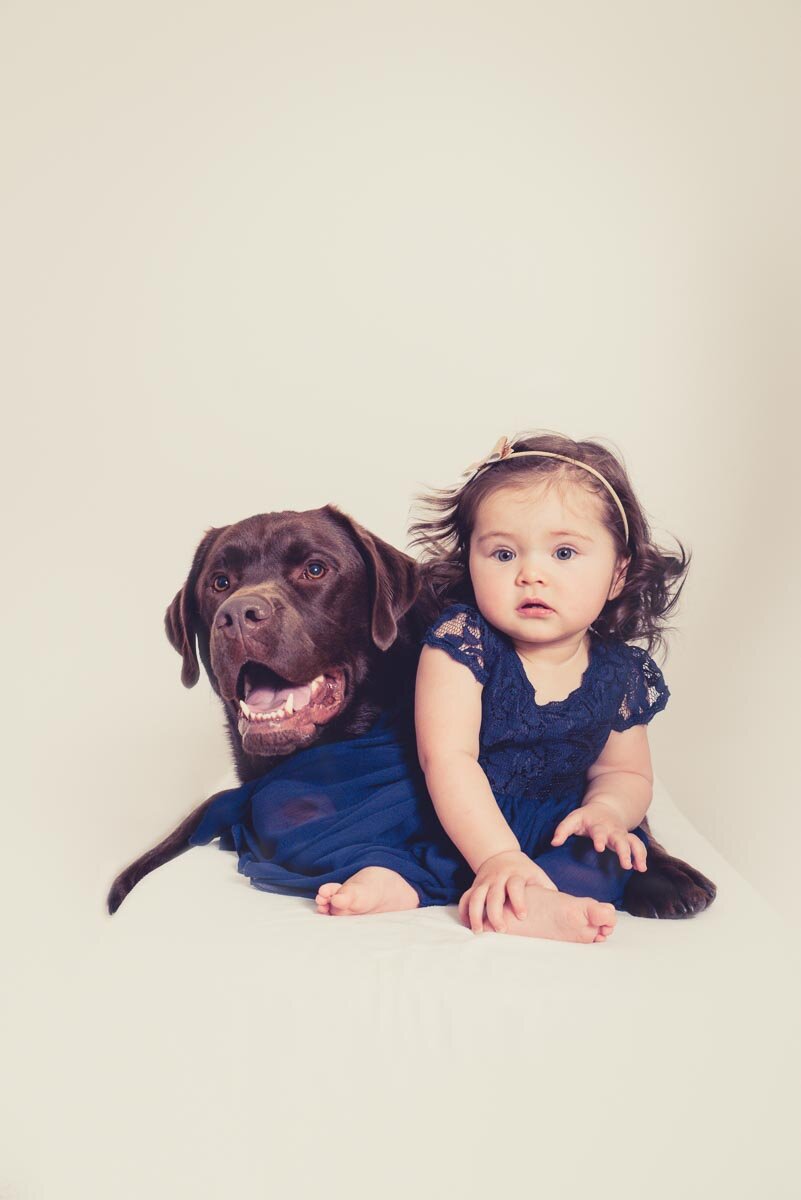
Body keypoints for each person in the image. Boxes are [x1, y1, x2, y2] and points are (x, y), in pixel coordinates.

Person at [316, 432, 688, 944]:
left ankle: (521, 896)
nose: (531, 574)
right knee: (404, 839)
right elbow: (448, 760)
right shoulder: (462, 644)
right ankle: (409, 882)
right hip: (457, 805)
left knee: (605, 862)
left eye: (563, 552)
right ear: (470, 561)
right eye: (503, 554)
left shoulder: (618, 672)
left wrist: (606, 811)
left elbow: (624, 769)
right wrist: (498, 856)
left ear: (619, 573)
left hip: (551, 816)